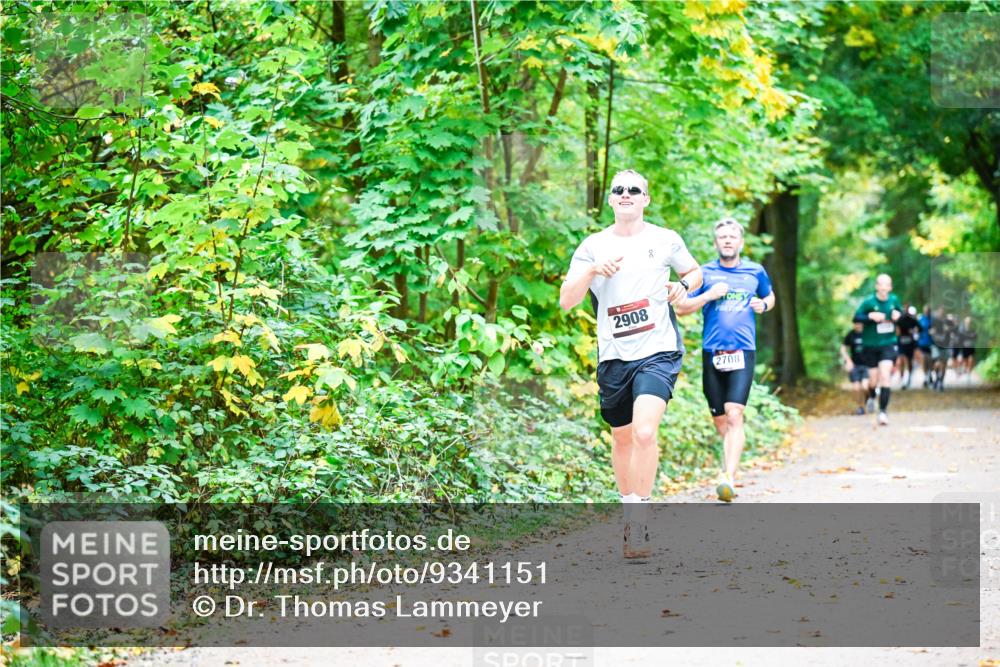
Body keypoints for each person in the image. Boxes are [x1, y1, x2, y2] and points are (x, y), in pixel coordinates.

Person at [560, 169, 702, 559]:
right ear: (610, 200)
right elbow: (566, 299)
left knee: (643, 432)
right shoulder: (592, 245)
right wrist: (592, 270)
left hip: (658, 352)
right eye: (618, 189)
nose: (626, 194)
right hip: (614, 358)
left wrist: (684, 286)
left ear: (645, 199)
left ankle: (639, 520)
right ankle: (628, 508)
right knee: (621, 436)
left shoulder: (664, 239)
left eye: (633, 190)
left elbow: (694, 271)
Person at [674, 217, 774, 503]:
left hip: (743, 351)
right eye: (723, 237)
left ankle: (728, 477)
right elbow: (682, 308)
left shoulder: (755, 271)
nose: (728, 240)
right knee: (721, 422)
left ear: (740, 242)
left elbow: (770, 297)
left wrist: (763, 305)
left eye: (732, 236)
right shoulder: (704, 273)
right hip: (712, 353)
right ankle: (729, 460)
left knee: (734, 413)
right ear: (716, 243)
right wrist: (707, 295)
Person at [853, 274, 902, 426]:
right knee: (872, 381)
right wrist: (870, 316)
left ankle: (883, 412)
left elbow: (902, 316)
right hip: (870, 345)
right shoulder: (869, 302)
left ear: (890, 287)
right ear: (877, 287)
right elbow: (856, 318)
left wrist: (898, 315)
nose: (883, 288)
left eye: (886, 285)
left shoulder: (894, 300)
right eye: (881, 285)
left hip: (888, 343)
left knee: (885, 376)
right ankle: (872, 396)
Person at [840, 322, 868, 414]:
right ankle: (860, 407)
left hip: (867, 365)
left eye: (860, 323)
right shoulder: (851, 334)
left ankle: (869, 400)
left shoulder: (868, 334)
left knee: (865, 386)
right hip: (855, 365)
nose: (858, 325)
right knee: (856, 388)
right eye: (856, 323)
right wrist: (847, 361)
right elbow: (843, 348)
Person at [895, 305, 919, 389]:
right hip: (901, 343)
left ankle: (909, 377)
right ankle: (902, 378)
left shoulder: (913, 320)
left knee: (909, 361)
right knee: (902, 359)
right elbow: (897, 331)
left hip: (910, 343)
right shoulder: (899, 320)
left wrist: (913, 331)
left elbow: (919, 328)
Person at [917, 305, 933, 388]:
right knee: (924, 359)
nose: (926, 311)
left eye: (928, 310)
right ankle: (925, 377)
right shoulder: (920, 319)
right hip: (922, 342)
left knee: (930, 360)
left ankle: (930, 373)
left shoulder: (932, 319)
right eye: (925, 310)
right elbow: (916, 329)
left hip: (931, 343)